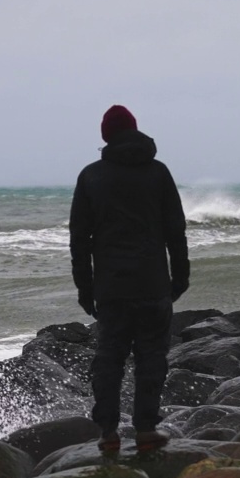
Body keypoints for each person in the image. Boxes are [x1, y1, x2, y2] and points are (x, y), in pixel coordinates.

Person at [70, 105, 189, 454]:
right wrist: (180, 277)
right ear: (135, 131)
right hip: (153, 283)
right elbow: (176, 231)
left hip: (111, 286)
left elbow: (80, 239)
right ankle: (146, 428)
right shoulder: (158, 173)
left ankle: (108, 432)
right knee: (152, 356)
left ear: (106, 136)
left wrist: (84, 287)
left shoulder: (91, 176)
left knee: (109, 358)